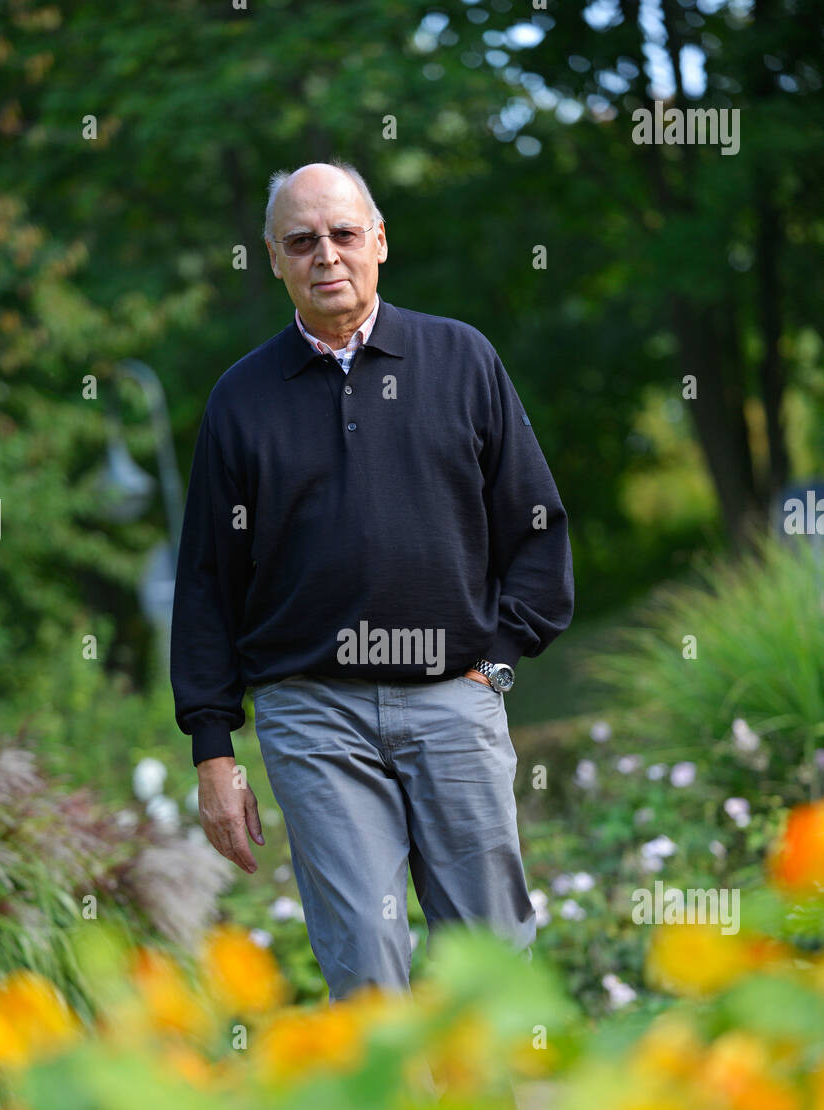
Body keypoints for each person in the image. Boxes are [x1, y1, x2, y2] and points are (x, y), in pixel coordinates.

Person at [170, 159, 574, 1002]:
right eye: (301, 241)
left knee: (491, 957)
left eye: (344, 234)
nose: (326, 255)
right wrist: (213, 747)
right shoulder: (240, 399)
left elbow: (534, 524)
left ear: (379, 242)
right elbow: (207, 581)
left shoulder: (460, 359)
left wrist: (496, 661)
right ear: (274, 259)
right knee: (362, 958)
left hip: (453, 696)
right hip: (312, 711)